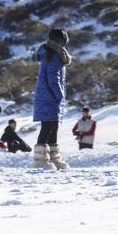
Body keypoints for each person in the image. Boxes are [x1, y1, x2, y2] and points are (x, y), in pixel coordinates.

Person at [33, 28, 72, 170]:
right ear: (59, 41)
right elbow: (53, 80)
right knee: (47, 127)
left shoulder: (54, 54)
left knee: (53, 127)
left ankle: (54, 159)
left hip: (50, 97)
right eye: (64, 42)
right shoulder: (52, 56)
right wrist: (60, 96)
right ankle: (40, 160)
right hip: (48, 97)